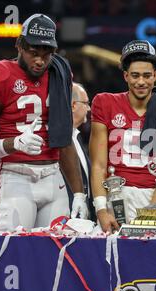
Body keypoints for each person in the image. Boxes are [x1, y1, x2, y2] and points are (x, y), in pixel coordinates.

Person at [0, 13, 88, 232]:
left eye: (47, 54)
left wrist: (79, 193)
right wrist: (14, 143)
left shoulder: (59, 73)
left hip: (54, 177)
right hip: (15, 176)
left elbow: (64, 137)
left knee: (55, 256)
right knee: (15, 254)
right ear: (19, 46)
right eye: (34, 53)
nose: (40, 60)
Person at [90, 40, 156, 233]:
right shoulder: (104, 102)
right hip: (116, 196)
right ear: (125, 75)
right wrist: (101, 210)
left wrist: (151, 211)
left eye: (146, 75)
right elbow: (99, 164)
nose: (141, 82)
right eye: (135, 75)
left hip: (155, 195)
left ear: (155, 76)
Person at [68, 82, 96, 221]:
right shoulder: (59, 141)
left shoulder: (77, 138)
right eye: (86, 103)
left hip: (82, 220)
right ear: (73, 105)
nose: (89, 108)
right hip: (65, 220)